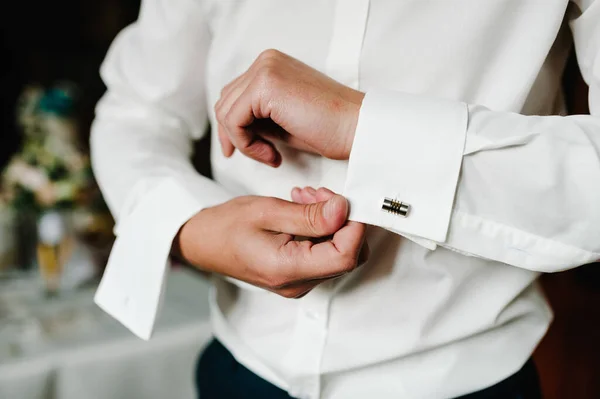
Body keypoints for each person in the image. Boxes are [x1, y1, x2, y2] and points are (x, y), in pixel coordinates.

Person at [91, 1, 600, 398]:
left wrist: (361, 127)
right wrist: (190, 228)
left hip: (469, 382)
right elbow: (136, 112)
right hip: (236, 369)